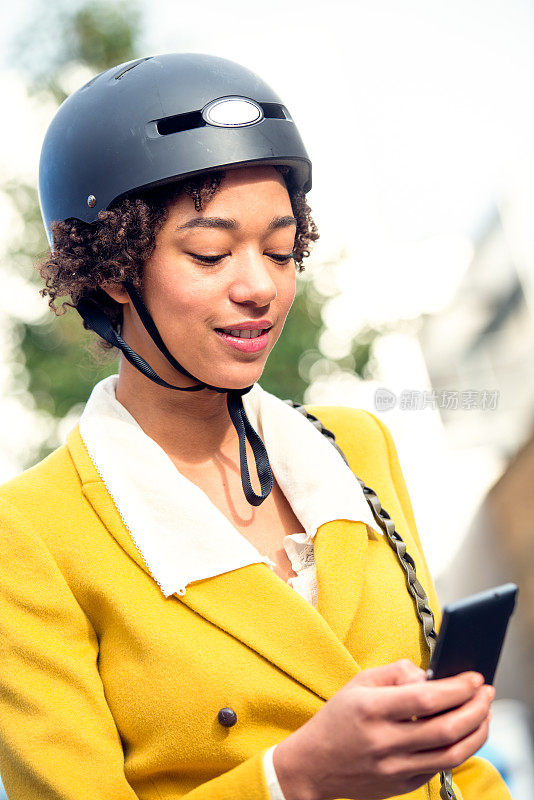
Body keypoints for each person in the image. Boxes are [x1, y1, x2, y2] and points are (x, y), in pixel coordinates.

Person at [0, 53, 511, 800]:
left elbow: (453, 768)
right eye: (210, 253)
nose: (260, 287)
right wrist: (291, 778)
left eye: (280, 250)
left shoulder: (359, 446)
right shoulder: (31, 533)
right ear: (111, 268)